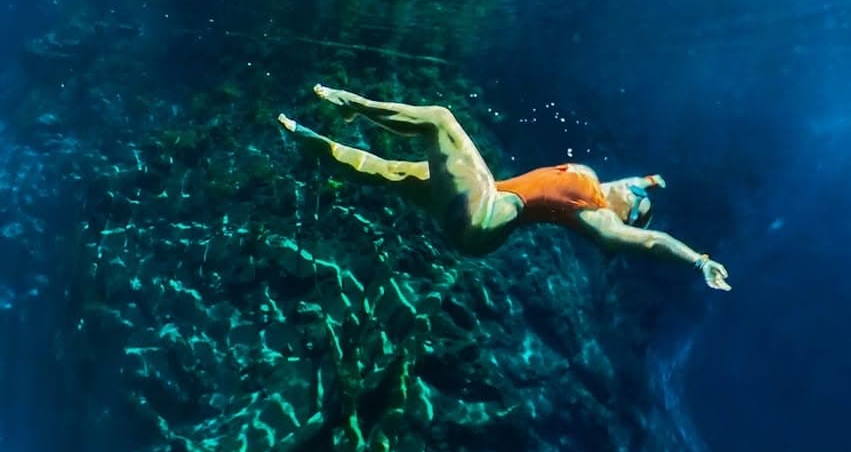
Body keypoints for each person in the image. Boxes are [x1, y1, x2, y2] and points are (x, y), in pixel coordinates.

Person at [278, 84, 731, 290]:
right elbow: (632, 184)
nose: (634, 190)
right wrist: (654, 180)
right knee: (387, 171)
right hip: (474, 210)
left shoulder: (595, 213)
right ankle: (302, 136)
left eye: (638, 201)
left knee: (440, 119)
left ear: (624, 215)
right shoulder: (603, 185)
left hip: (487, 211)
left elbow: (646, 240)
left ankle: (356, 106)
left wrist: (699, 261)